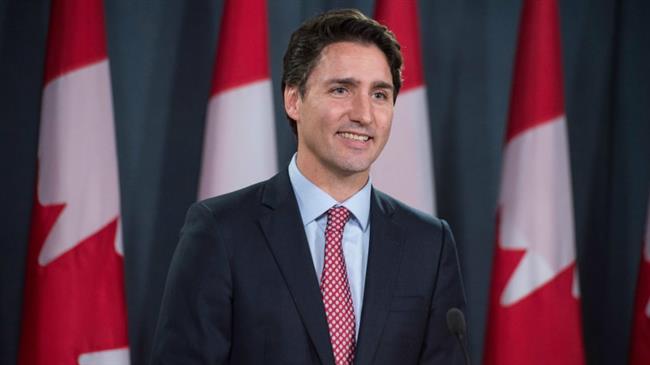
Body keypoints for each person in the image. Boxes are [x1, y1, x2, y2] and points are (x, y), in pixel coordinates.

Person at [150, 8, 467, 365]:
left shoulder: (430, 243)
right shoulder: (220, 231)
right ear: (293, 100)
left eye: (379, 94)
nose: (363, 114)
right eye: (341, 89)